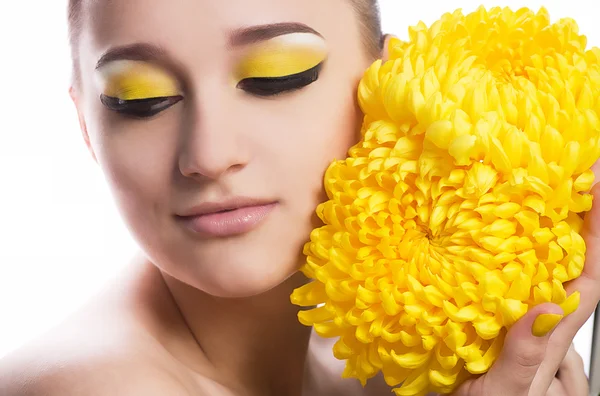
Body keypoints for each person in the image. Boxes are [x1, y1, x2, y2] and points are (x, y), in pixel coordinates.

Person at [0, 0, 593, 395]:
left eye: (276, 77)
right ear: (85, 128)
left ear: (387, 86)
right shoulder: (86, 385)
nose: (208, 155)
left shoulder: (373, 365)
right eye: (138, 98)